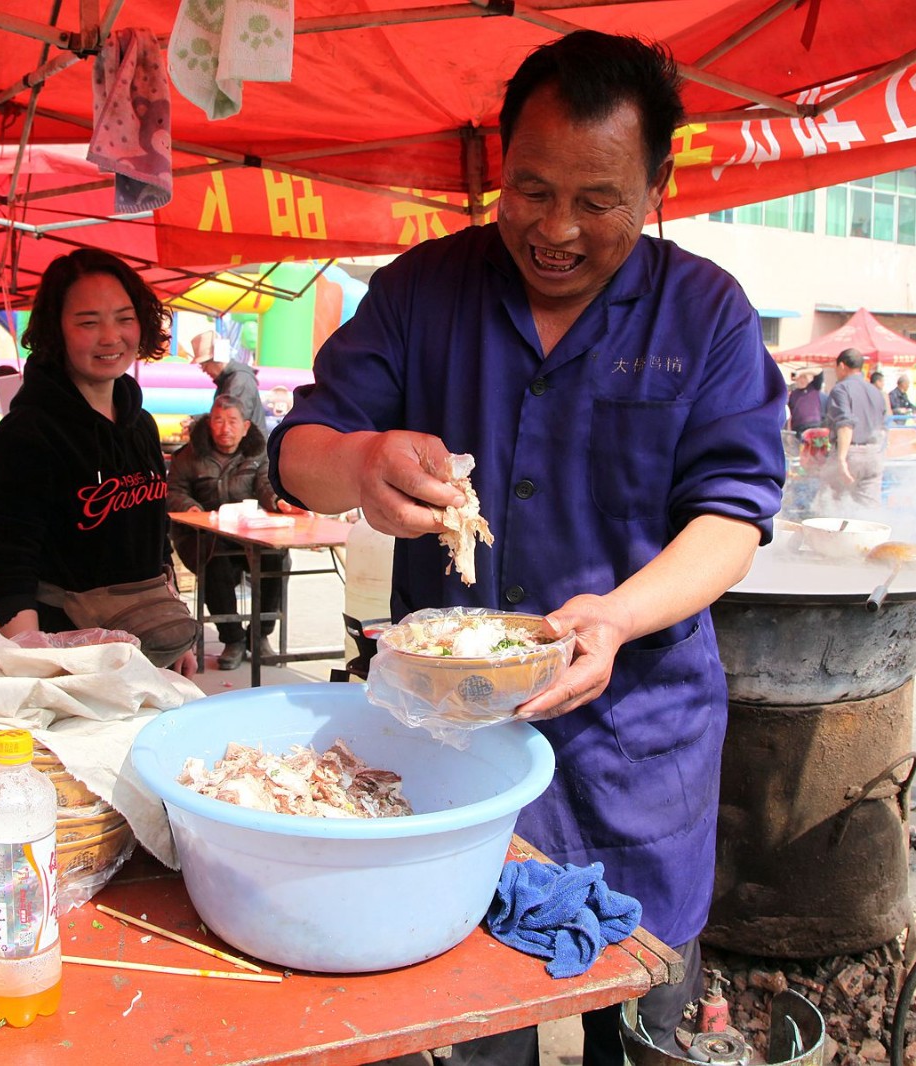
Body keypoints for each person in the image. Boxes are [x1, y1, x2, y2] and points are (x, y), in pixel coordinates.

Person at [269, 32, 787, 1059]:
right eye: (530, 190)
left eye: (597, 201)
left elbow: (732, 518)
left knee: (641, 1016)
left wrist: (618, 616)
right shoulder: (423, 291)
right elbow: (297, 453)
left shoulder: (706, 314)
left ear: (657, 185)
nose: (555, 230)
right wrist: (360, 463)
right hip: (452, 742)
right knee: (470, 1017)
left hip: (639, 741)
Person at [0, 249, 197, 675]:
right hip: (71, 656)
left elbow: (156, 541)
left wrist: (172, 633)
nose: (110, 337)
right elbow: (11, 566)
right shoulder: (26, 434)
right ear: (55, 330)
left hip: (149, 648)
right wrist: (34, 665)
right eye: (88, 322)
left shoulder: (141, 425)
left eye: (124, 318)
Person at [166, 396, 299, 670]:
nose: (225, 428)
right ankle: (233, 639)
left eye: (232, 421)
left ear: (245, 426)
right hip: (202, 536)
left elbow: (266, 485)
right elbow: (173, 491)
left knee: (276, 557)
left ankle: (259, 635)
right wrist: (191, 508)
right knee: (216, 562)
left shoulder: (258, 453)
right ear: (209, 423)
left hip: (247, 534)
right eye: (218, 420)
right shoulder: (190, 454)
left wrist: (279, 502)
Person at [822, 349, 886, 514]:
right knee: (870, 513)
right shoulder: (876, 391)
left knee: (833, 508)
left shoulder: (841, 389)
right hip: (874, 454)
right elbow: (883, 425)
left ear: (842, 366)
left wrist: (841, 459)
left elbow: (845, 424)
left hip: (851, 454)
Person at [193, 331, 266, 433]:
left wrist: (196, 421)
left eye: (204, 365)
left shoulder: (239, 381)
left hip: (249, 442)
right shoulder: (231, 379)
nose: (204, 370)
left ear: (216, 360)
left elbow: (230, 416)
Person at [786, 370, 825, 437]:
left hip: (814, 425)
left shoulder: (814, 387)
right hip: (798, 428)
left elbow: (819, 372)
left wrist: (801, 372)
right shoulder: (793, 394)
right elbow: (790, 414)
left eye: (804, 377)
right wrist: (789, 432)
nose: (801, 380)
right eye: (799, 378)